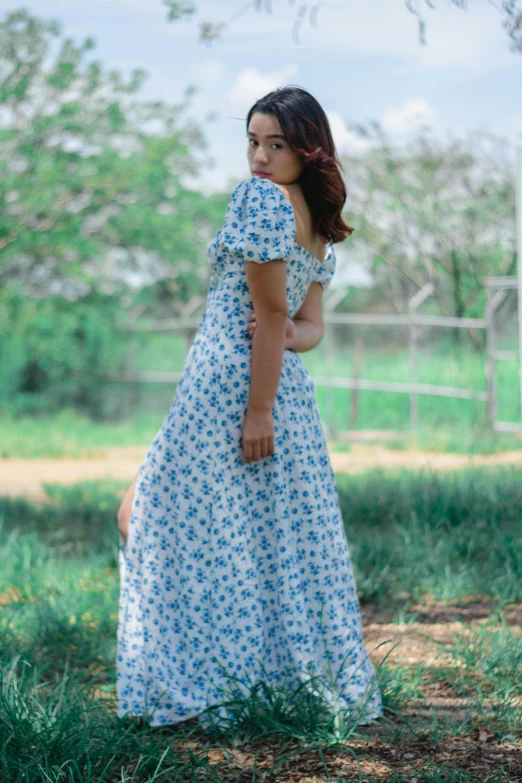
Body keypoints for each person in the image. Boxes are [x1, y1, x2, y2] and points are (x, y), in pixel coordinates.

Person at [116, 85, 383, 729]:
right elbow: (306, 326)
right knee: (258, 536)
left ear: (307, 148)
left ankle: (202, 675)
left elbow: (271, 315)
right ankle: (248, 677)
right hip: (275, 383)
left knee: (147, 518)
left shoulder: (261, 201)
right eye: (253, 142)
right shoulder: (318, 219)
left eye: (277, 144)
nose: (260, 157)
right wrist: (285, 339)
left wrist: (257, 407)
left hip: (236, 386)